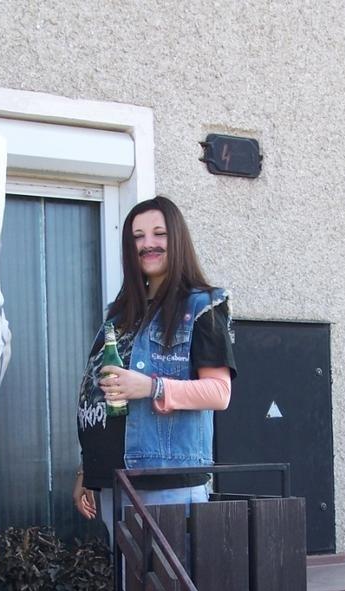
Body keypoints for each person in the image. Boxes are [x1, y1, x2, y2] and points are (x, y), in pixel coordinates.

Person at [73, 195, 236, 536]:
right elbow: (99, 393)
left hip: (167, 480)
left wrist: (150, 387)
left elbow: (219, 393)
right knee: (128, 573)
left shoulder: (202, 306)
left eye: (159, 234)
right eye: (138, 237)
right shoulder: (119, 314)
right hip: (114, 480)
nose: (148, 244)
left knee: (169, 573)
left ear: (177, 239)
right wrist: (87, 471)